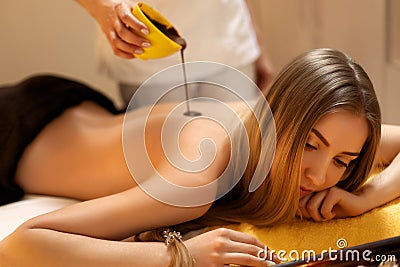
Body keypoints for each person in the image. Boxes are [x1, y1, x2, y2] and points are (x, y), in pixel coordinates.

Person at [1, 48, 399, 266]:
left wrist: (367, 195)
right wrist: (179, 256)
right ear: (277, 119)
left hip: (82, 109)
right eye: (310, 146)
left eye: (342, 161)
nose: (318, 176)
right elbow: (21, 244)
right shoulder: (200, 179)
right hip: (15, 134)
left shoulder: (303, 130)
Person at [75, 0, 275, 107]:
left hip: (229, 40)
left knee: (239, 160)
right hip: (147, 51)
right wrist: (101, 7)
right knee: (170, 169)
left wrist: (258, 46)